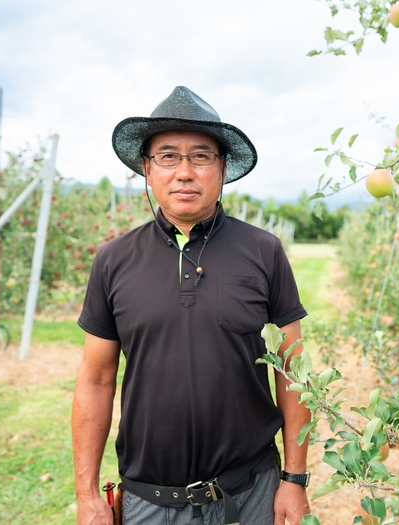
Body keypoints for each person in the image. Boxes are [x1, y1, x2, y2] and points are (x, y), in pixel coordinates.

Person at [72, 86, 311, 525]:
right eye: (168, 156)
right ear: (146, 168)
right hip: (148, 500)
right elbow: (96, 379)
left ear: (222, 169)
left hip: (251, 493)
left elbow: (292, 371)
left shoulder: (263, 251)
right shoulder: (114, 259)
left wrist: (294, 481)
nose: (185, 172)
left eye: (201, 156)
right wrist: (87, 494)